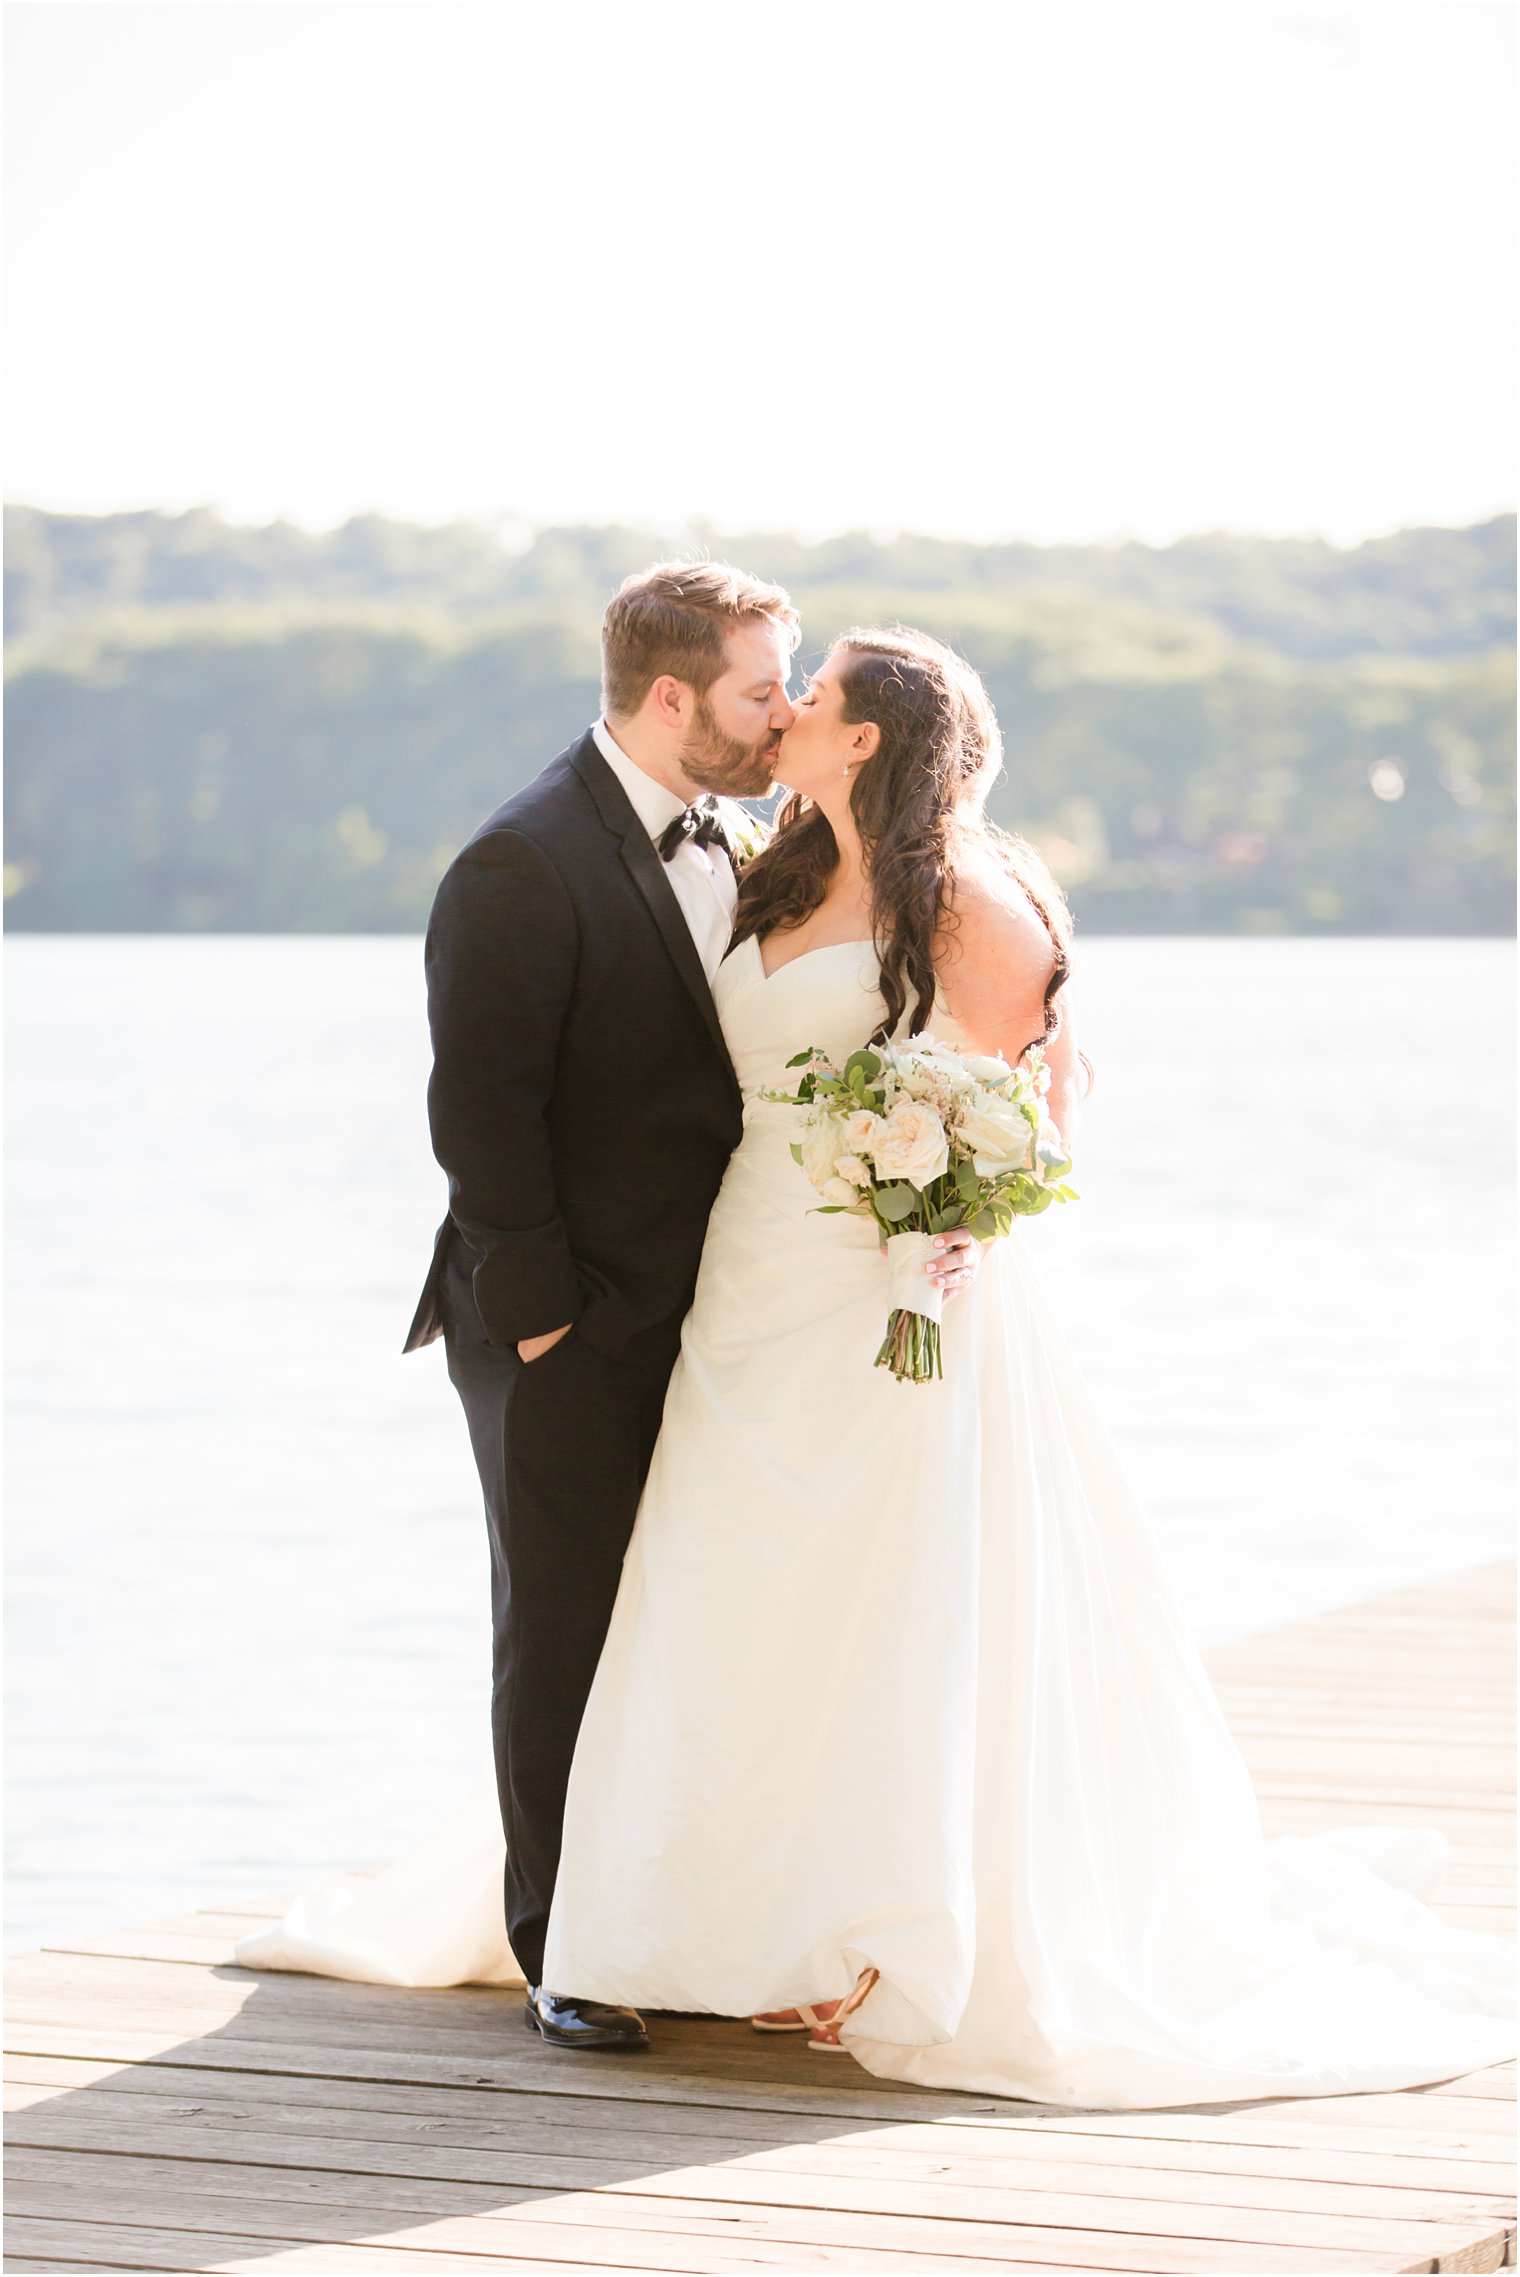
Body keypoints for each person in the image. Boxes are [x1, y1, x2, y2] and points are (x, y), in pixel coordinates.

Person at [239, 624, 1513, 2106]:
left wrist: (958, 1208)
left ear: (864, 741)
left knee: (885, 1603)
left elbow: (1038, 1098)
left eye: (815, 693)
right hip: (741, 1289)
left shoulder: (967, 891)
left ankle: (874, 1926)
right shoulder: (768, 862)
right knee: (721, 1593)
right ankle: (707, 1919)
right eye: (778, 685)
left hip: (881, 1295)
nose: (787, 707)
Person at [317, 563, 981, 2053]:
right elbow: (479, 1110)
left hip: (727, 1314)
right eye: (763, 688)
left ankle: (694, 1909)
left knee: (685, 1616)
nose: (783, 713)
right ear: (672, 696)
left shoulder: (750, 836)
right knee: (558, 1626)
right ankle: (565, 1947)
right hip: (561, 1320)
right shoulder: (520, 860)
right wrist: (543, 1315)